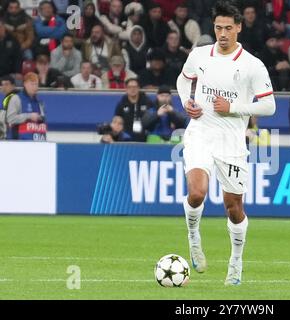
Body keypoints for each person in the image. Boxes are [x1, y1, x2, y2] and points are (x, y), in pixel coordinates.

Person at [176, 1, 276, 285]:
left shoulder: (252, 65)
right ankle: (193, 237)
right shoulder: (199, 56)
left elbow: (269, 106)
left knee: (233, 207)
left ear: (239, 28)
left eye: (228, 28)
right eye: (218, 28)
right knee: (197, 193)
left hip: (231, 141)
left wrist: (233, 106)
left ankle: (235, 261)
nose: (222, 33)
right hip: (200, 132)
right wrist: (187, 102)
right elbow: (183, 82)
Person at [6, 72, 47, 141]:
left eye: (36, 84)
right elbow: (10, 119)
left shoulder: (40, 102)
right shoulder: (16, 98)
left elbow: (42, 123)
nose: (34, 87)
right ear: (25, 84)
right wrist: (29, 116)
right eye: (32, 84)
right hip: (19, 143)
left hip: (37, 143)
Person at [114, 78, 153, 142]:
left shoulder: (147, 102)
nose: (132, 89)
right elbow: (117, 120)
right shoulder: (121, 104)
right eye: (130, 87)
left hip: (145, 135)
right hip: (127, 136)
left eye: (135, 87)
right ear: (126, 89)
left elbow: (153, 117)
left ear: (139, 88)